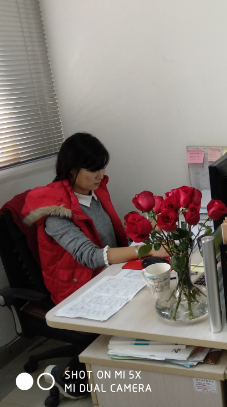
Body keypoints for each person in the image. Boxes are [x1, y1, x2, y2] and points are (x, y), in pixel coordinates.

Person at [21, 132, 167, 399]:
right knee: (137, 313)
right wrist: (145, 249)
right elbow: (90, 255)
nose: (101, 175)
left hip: (105, 276)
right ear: (72, 169)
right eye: (93, 169)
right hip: (76, 288)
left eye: (103, 167)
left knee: (155, 293)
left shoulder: (92, 193)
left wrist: (150, 229)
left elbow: (110, 238)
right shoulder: (56, 212)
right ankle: (68, 378)